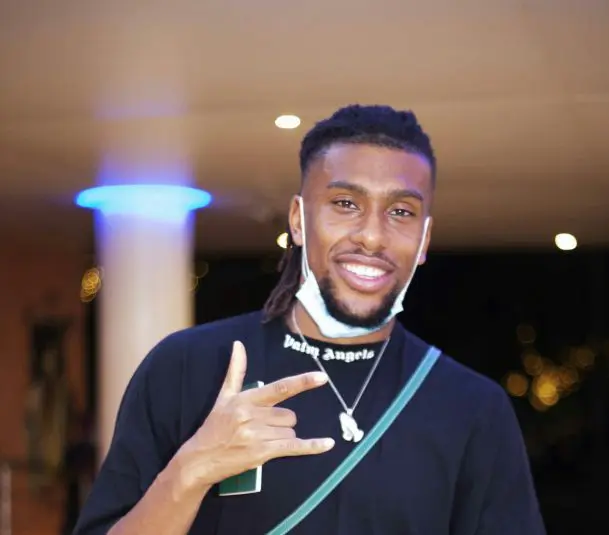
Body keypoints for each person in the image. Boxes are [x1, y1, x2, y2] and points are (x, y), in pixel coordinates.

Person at [73, 105, 546, 535]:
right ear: (298, 220)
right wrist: (191, 471)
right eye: (345, 204)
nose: (372, 236)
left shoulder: (471, 407)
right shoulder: (187, 366)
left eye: (401, 212)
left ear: (424, 240)